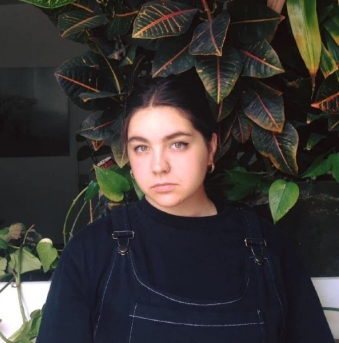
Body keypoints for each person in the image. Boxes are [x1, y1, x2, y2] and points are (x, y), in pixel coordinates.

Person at [37, 72, 334, 342]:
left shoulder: (269, 250)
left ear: (211, 147)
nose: (158, 166)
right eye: (141, 147)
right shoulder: (92, 252)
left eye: (177, 144)